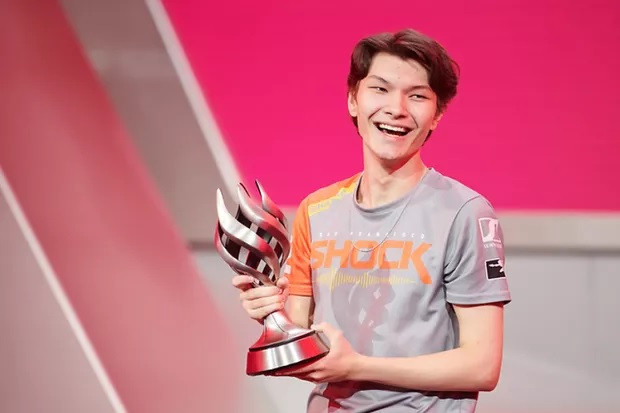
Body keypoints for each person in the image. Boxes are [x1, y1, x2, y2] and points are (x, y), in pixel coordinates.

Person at [232, 28, 511, 413]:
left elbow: (481, 366)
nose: (396, 108)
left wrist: (357, 366)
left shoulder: (464, 213)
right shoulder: (317, 210)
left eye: (417, 96)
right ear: (353, 100)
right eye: (380, 89)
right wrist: (271, 311)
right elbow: (301, 348)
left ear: (437, 115)